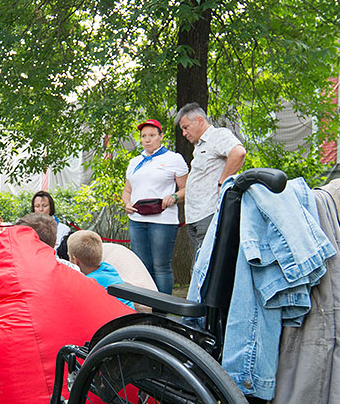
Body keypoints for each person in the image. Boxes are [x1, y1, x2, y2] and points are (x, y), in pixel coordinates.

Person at [121, 118, 188, 294]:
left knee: (161, 267)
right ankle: (147, 309)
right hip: (136, 219)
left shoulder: (174, 158)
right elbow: (127, 191)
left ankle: (163, 312)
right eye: (143, 136)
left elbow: (187, 189)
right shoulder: (134, 162)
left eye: (152, 135)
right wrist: (127, 203)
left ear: (161, 137)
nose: (147, 139)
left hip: (163, 220)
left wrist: (173, 197)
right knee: (142, 266)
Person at [176, 103, 246, 251]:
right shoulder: (199, 147)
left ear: (200, 120)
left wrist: (222, 183)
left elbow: (238, 152)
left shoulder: (218, 135)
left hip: (210, 214)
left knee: (209, 267)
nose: (184, 133)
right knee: (202, 266)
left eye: (186, 127)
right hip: (195, 217)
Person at [66, 230, 134, 309]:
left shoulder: (88, 283)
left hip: (117, 320)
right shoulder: (108, 268)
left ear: (75, 261)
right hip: (132, 317)